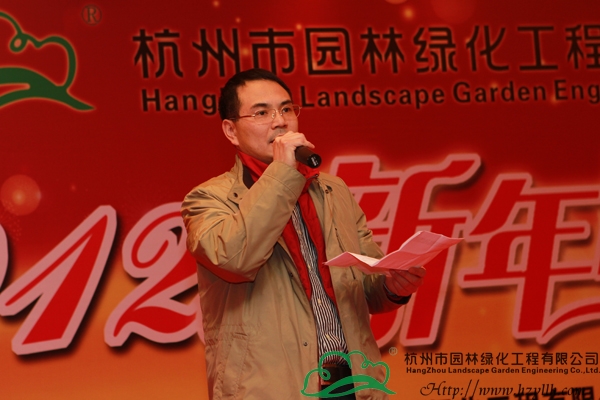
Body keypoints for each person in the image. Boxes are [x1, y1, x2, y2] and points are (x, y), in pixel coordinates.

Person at [181, 68, 426, 400]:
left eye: (286, 109)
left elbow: (364, 286)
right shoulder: (208, 199)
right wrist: (282, 173)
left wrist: (392, 286)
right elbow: (235, 258)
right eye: (262, 113)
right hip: (270, 389)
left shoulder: (332, 190)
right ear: (231, 130)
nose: (280, 122)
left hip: (353, 383)